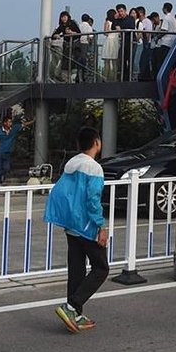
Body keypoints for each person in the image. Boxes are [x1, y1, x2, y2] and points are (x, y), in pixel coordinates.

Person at [43, 127, 108, 333]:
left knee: (77, 270)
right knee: (101, 268)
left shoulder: (70, 165)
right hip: (86, 226)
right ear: (96, 142)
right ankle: (71, 307)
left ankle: (76, 314)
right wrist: (101, 226)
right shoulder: (94, 168)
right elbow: (92, 200)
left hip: (70, 225)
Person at [0, 115, 33, 183]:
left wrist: (33, 121)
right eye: (9, 122)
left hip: (8, 152)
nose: (10, 124)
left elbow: (23, 124)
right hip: (0, 152)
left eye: (11, 122)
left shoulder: (14, 129)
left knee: (7, 168)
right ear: (5, 123)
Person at [51, 11, 81, 82]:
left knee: (74, 61)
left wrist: (72, 33)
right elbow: (54, 35)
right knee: (65, 62)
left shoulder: (72, 23)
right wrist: (56, 35)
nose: (63, 19)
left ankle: (74, 78)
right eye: (62, 17)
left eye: (65, 17)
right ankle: (65, 78)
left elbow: (79, 33)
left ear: (68, 17)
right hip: (66, 45)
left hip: (74, 44)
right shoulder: (62, 26)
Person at [152, 2, 176, 75]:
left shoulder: (166, 18)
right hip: (172, 42)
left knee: (161, 61)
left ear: (165, 9)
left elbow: (164, 30)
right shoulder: (173, 18)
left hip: (165, 42)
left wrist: (157, 37)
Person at [113, 4, 136, 81]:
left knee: (130, 60)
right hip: (123, 42)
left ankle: (130, 77)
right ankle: (124, 77)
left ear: (125, 10)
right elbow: (114, 27)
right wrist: (116, 19)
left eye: (122, 11)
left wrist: (121, 28)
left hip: (130, 41)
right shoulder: (118, 20)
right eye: (119, 11)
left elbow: (131, 26)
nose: (121, 13)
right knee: (122, 59)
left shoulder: (130, 18)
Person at [101, 9, 120, 81]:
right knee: (114, 61)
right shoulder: (117, 22)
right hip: (115, 41)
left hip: (109, 40)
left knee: (107, 62)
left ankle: (105, 78)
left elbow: (105, 33)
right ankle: (114, 78)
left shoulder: (107, 22)